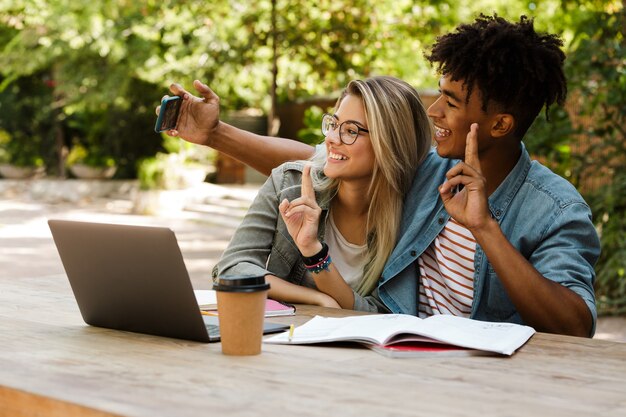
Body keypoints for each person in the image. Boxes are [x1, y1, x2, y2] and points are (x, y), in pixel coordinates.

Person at [157, 14, 600, 337]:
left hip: (488, 376)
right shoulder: (430, 170)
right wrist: (216, 134)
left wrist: (485, 228)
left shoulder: (554, 208)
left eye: (451, 102)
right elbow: (321, 159)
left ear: (500, 124)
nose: (434, 111)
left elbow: (576, 326)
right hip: (395, 349)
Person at [214, 77, 432, 310]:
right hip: (286, 338)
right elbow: (231, 269)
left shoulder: (410, 219)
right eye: (333, 125)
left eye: (350, 131)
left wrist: (314, 252)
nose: (331, 139)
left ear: (389, 144)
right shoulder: (290, 183)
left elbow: (382, 312)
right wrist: (316, 298)